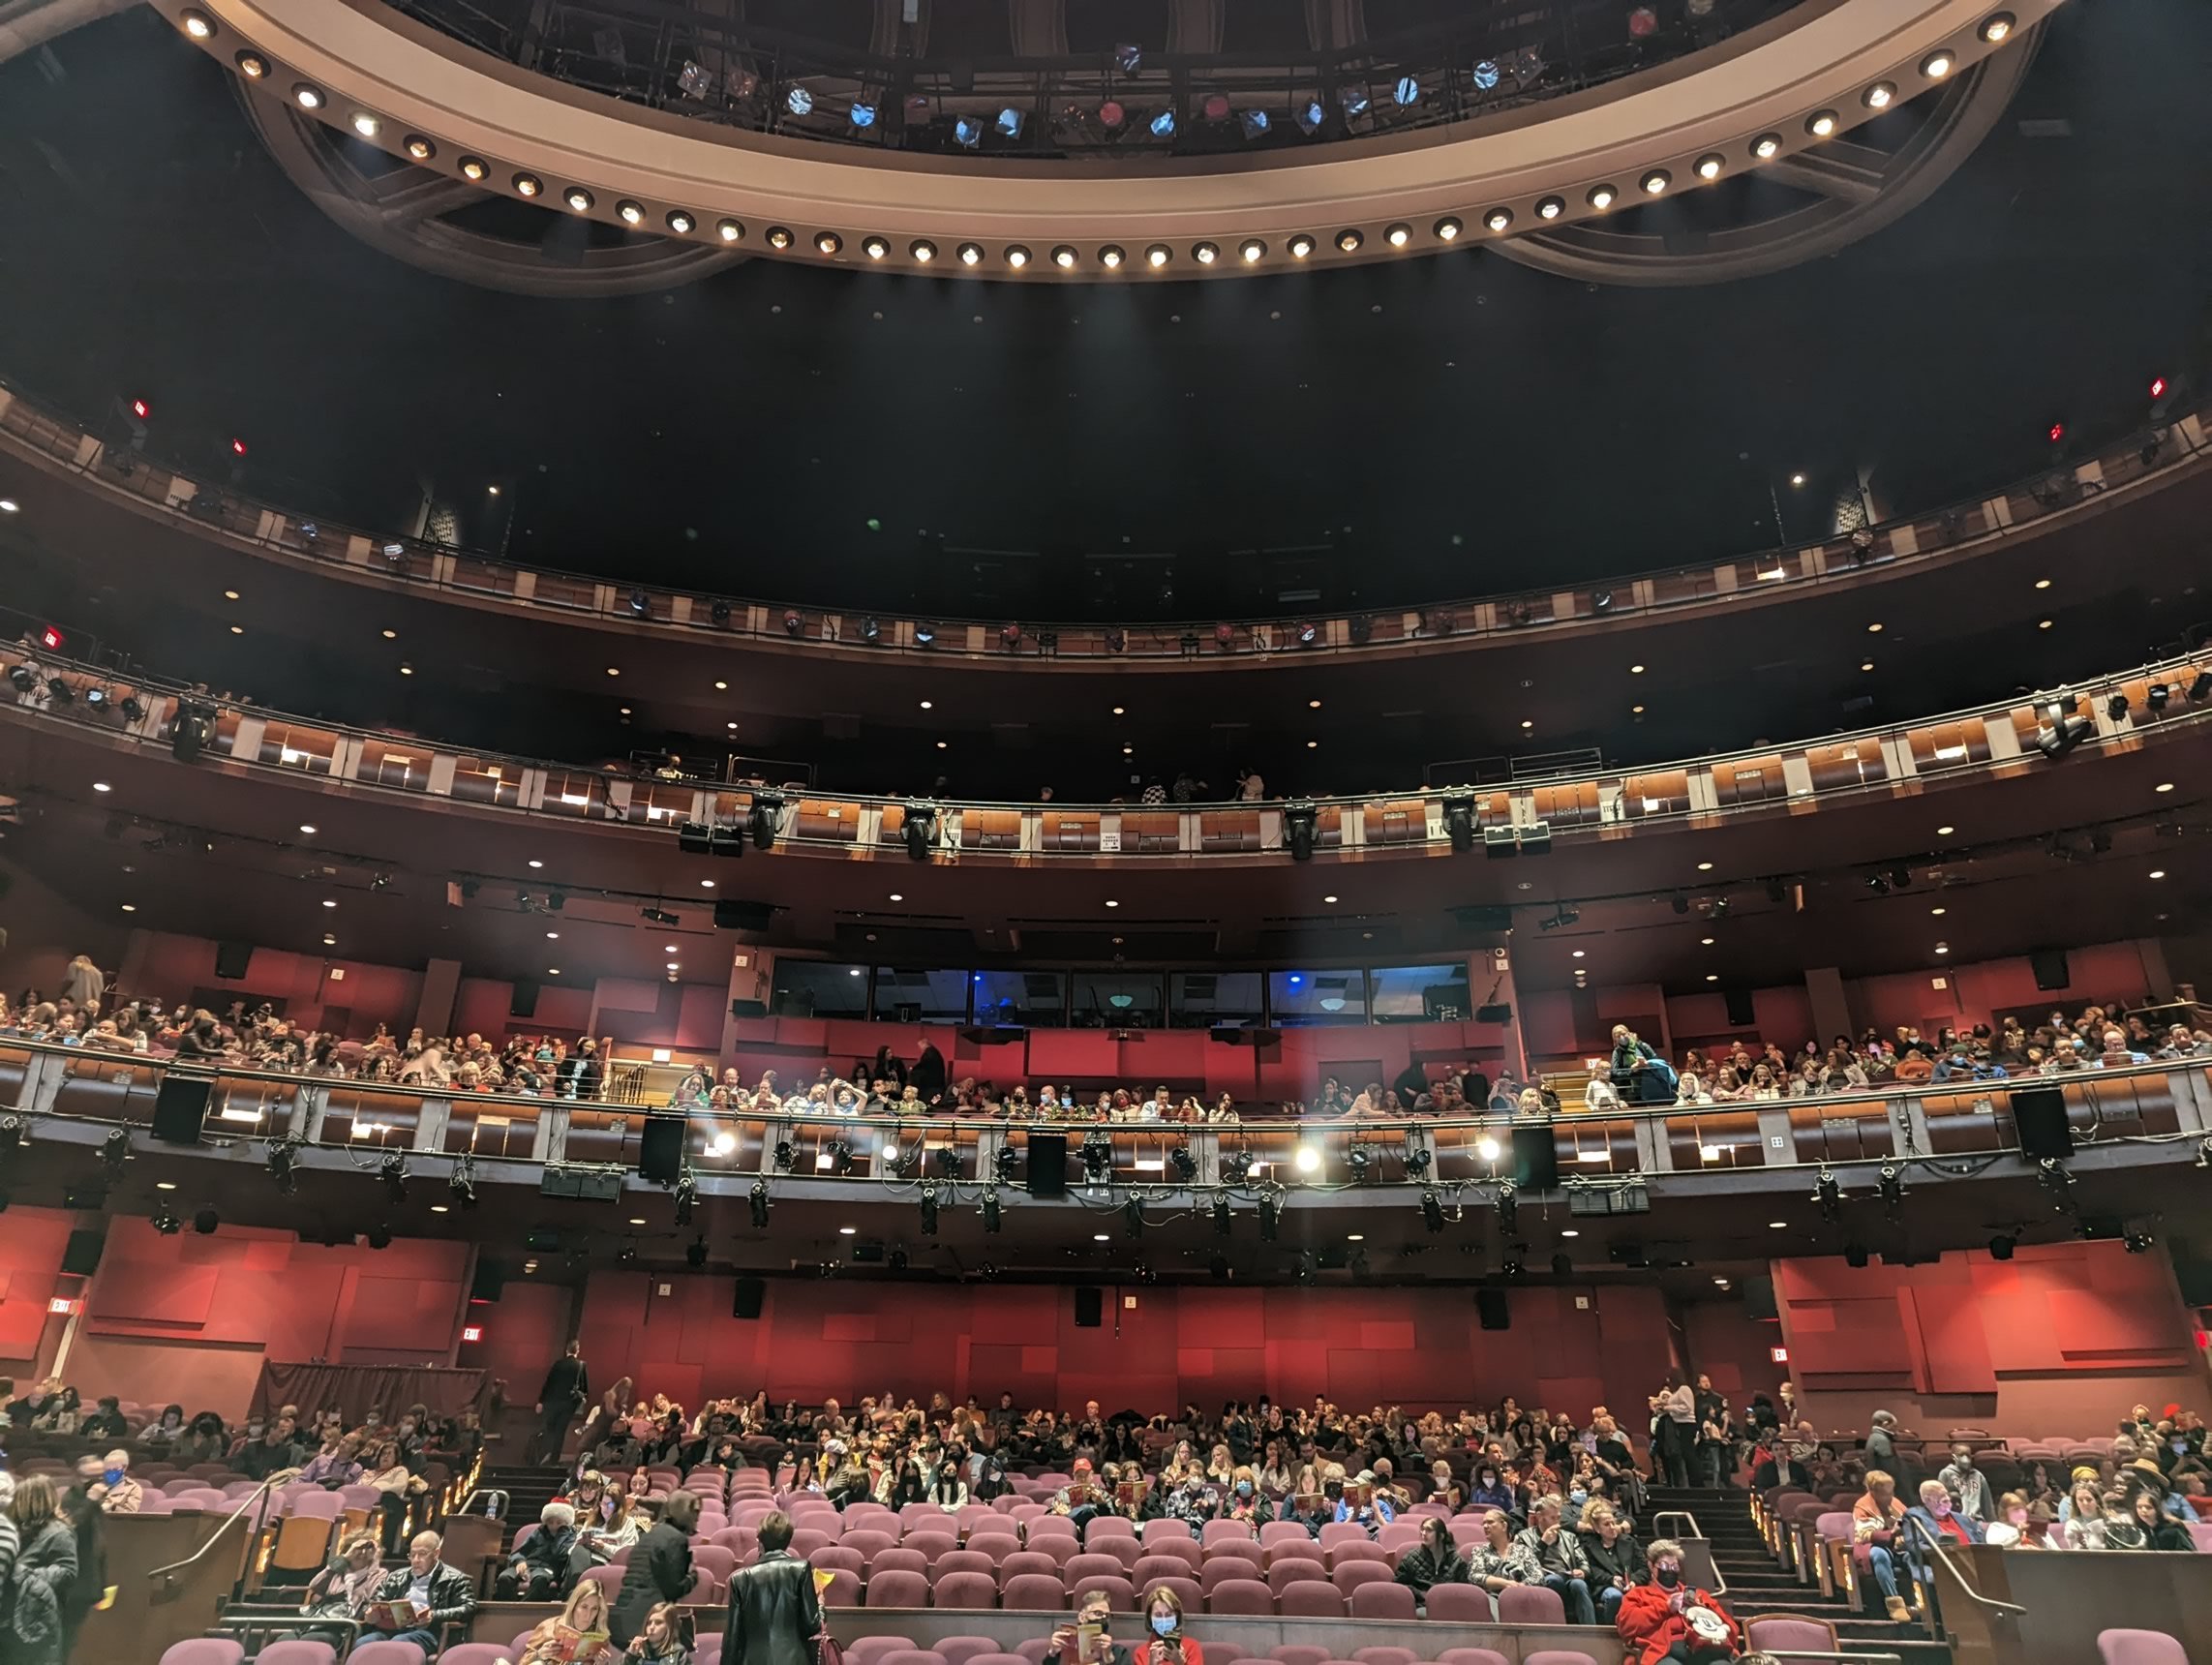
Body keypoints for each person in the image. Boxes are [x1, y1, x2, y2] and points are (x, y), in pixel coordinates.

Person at [1615, 1538, 1741, 1665]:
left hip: (1707, 1649)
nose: (1670, 1570)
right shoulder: (1639, 1594)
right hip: (1665, 1653)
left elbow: (1732, 1629)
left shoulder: (1699, 1595)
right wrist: (1666, 1607)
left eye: (1674, 1566)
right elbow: (1626, 1626)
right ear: (1651, 1566)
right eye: (1664, 1565)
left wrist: (1704, 1612)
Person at [723, 1505, 816, 1665]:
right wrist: (820, 1605)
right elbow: (813, 1624)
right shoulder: (801, 1569)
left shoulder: (740, 1579)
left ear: (759, 1540)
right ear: (788, 1540)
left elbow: (733, 1637)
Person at [359, 1529, 476, 1654]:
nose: (416, 1560)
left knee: (398, 1643)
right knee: (363, 1644)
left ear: (436, 1554)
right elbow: (374, 1601)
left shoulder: (455, 1578)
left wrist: (434, 1615)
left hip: (429, 1632)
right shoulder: (396, 1576)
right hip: (392, 1629)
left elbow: (469, 1608)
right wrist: (370, 1613)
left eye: (422, 1554)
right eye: (412, 1554)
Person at [614, 1489, 701, 1647]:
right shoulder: (676, 1539)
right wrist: (693, 1577)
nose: (697, 1518)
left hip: (624, 1613)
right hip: (648, 1618)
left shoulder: (650, 1535)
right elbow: (673, 1589)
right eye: (695, 1513)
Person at [7, 1474, 78, 1665]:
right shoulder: (21, 1528)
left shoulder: (59, 1532)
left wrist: (24, 1575)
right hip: (15, 1610)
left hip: (37, 1614)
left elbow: (68, 1571)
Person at [1515, 1495, 1595, 1624]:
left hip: (1568, 1578)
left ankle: (1591, 1632)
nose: (1557, 1522)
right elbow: (1522, 1566)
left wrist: (1583, 1571)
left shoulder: (1569, 1537)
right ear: (1540, 1517)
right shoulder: (1523, 1537)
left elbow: (1584, 1563)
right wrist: (1542, 1544)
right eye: (1553, 1518)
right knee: (1554, 1580)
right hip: (1543, 1580)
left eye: (1559, 1517)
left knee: (1579, 1584)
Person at [300, 1529, 383, 1648]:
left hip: (344, 1628)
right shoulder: (337, 1571)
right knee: (283, 1640)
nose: (362, 1553)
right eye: (357, 1549)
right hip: (319, 1621)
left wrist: (375, 1559)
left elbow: (373, 1596)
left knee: (309, 1640)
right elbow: (314, 1586)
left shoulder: (378, 1574)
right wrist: (344, 1559)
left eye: (368, 1548)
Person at [1850, 1471, 1914, 1622]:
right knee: (1880, 1555)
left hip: (1900, 1546)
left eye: (1891, 1492)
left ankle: (1921, 1600)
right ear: (1873, 1492)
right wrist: (1892, 1534)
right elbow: (1865, 1534)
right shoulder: (1862, 1505)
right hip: (1872, 1546)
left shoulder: (1895, 1503)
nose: (1890, 1497)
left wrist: (1903, 1534)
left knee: (1916, 1556)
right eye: (1885, 1494)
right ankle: (1895, 1604)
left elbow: (1911, 1521)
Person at [500, 1500, 588, 1600]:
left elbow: (558, 1554)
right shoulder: (539, 1532)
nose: (554, 1526)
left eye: (559, 1523)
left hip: (548, 1569)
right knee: (504, 1578)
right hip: (528, 1565)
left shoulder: (570, 1536)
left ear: (566, 1524)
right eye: (550, 1522)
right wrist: (520, 1562)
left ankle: (520, 1611)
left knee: (540, 1580)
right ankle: (506, 1611)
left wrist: (562, 1533)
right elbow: (519, 1552)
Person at [517, 1579, 617, 1665]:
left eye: (594, 1609)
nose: (588, 1615)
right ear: (574, 1606)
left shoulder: (600, 1639)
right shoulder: (549, 1627)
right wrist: (539, 1655)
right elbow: (523, 1662)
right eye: (584, 1607)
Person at [1581, 1503, 1646, 1627]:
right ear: (1597, 1528)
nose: (1612, 1527)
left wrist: (1634, 1581)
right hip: (1606, 1586)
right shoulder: (1588, 1545)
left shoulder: (1629, 1542)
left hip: (1631, 1585)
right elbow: (1592, 1570)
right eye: (1606, 1524)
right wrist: (1611, 1579)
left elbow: (1643, 1568)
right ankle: (1612, 1633)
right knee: (1615, 1596)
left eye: (1613, 1523)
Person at [535, 1339, 592, 1465]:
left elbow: (548, 1383)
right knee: (560, 1431)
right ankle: (554, 1459)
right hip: (569, 1403)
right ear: (577, 1350)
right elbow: (585, 1387)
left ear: (566, 1350)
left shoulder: (558, 1364)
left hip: (552, 1402)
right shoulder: (581, 1365)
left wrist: (541, 1401)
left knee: (549, 1429)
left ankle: (542, 1456)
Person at [1394, 1516, 1472, 1606]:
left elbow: (1465, 1590)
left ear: (1441, 1536)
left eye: (1429, 1530)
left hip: (1449, 1607)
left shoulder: (1457, 1561)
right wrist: (1420, 1595)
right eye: (1422, 1529)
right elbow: (1399, 1586)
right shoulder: (1411, 1557)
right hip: (1421, 1606)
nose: (1423, 1533)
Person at [1050, 1587, 1133, 1665]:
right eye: (1098, 1613)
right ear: (1082, 1617)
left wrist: (1109, 1659)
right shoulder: (1063, 1647)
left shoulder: (1119, 1652)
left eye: (1107, 1615)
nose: (1103, 1618)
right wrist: (1052, 1653)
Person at [1132, 1584, 1201, 1665]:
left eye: (1169, 1615)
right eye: (1158, 1615)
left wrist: (1180, 1663)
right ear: (1149, 1617)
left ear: (1177, 1616)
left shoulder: (1192, 1647)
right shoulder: (1140, 1653)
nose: (1164, 1620)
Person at [1936, 1444, 1996, 1523]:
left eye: (1968, 1455)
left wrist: (1992, 1523)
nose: (1965, 1459)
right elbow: (1940, 1500)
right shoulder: (1945, 1474)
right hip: (1956, 1520)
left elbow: (1987, 1503)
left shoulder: (1978, 1475)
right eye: (1961, 1455)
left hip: (1977, 1520)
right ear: (1954, 1457)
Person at [627, 1600, 693, 1664]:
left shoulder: (678, 1653)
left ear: (669, 1628)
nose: (652, 1627)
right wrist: (631, 1657)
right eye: (649, 1623)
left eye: (658, 1623)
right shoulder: (636, 1651)